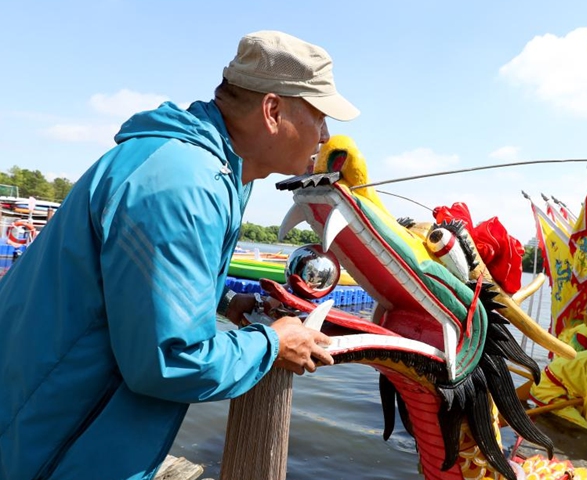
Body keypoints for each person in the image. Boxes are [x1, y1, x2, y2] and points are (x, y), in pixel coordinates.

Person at [0, 30, 358, 480]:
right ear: (273, 111)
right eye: (320, 116)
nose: (325, 136)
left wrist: (223, 301)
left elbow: (130, 282)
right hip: (49, 446)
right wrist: (272, 343)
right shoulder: (185, 183)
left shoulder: (211, 167)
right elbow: (168, 362)